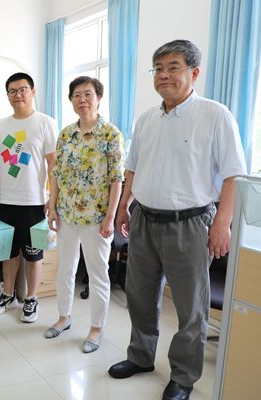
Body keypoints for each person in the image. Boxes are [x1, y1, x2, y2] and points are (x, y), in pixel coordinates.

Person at [107, 40, 246, 400]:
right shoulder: (146, 119)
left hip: (191, 224)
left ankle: (183, 376)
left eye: (173, 67)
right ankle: (140, 356)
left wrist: (223, 223)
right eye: (158, 68)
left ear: (194, 73)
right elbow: (132, 168)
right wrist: (124, 206)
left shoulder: (215, 115)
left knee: (190, 307)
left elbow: (233, 176)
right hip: (143, 219)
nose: (164, 75)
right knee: (140, 295)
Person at [46, 76, 124, 352]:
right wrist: (52, 206)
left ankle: (96, 328)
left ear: (98, 98)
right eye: (77, 95)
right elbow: (56, 173)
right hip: (67, 213)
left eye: (88, 94)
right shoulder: (66, 134)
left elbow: (117, 179)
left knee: (97, 273)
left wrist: (110, 217)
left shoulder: (111, 134)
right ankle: (64, 317)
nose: (82, 100)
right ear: (71, 100)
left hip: (96, 217)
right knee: (65, 269)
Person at [0, 72, 57, 322]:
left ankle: (32, 298)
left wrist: (52, 198)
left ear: (33, 92)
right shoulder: (0, 125)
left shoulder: (45, 122)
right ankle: (8, 294)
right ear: (7, 95)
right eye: (12, 91)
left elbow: (53, 164)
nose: (18, 95)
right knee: (8, 252)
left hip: (33, 202)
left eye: (23, 89)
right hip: (5, 200)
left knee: (33, 254)